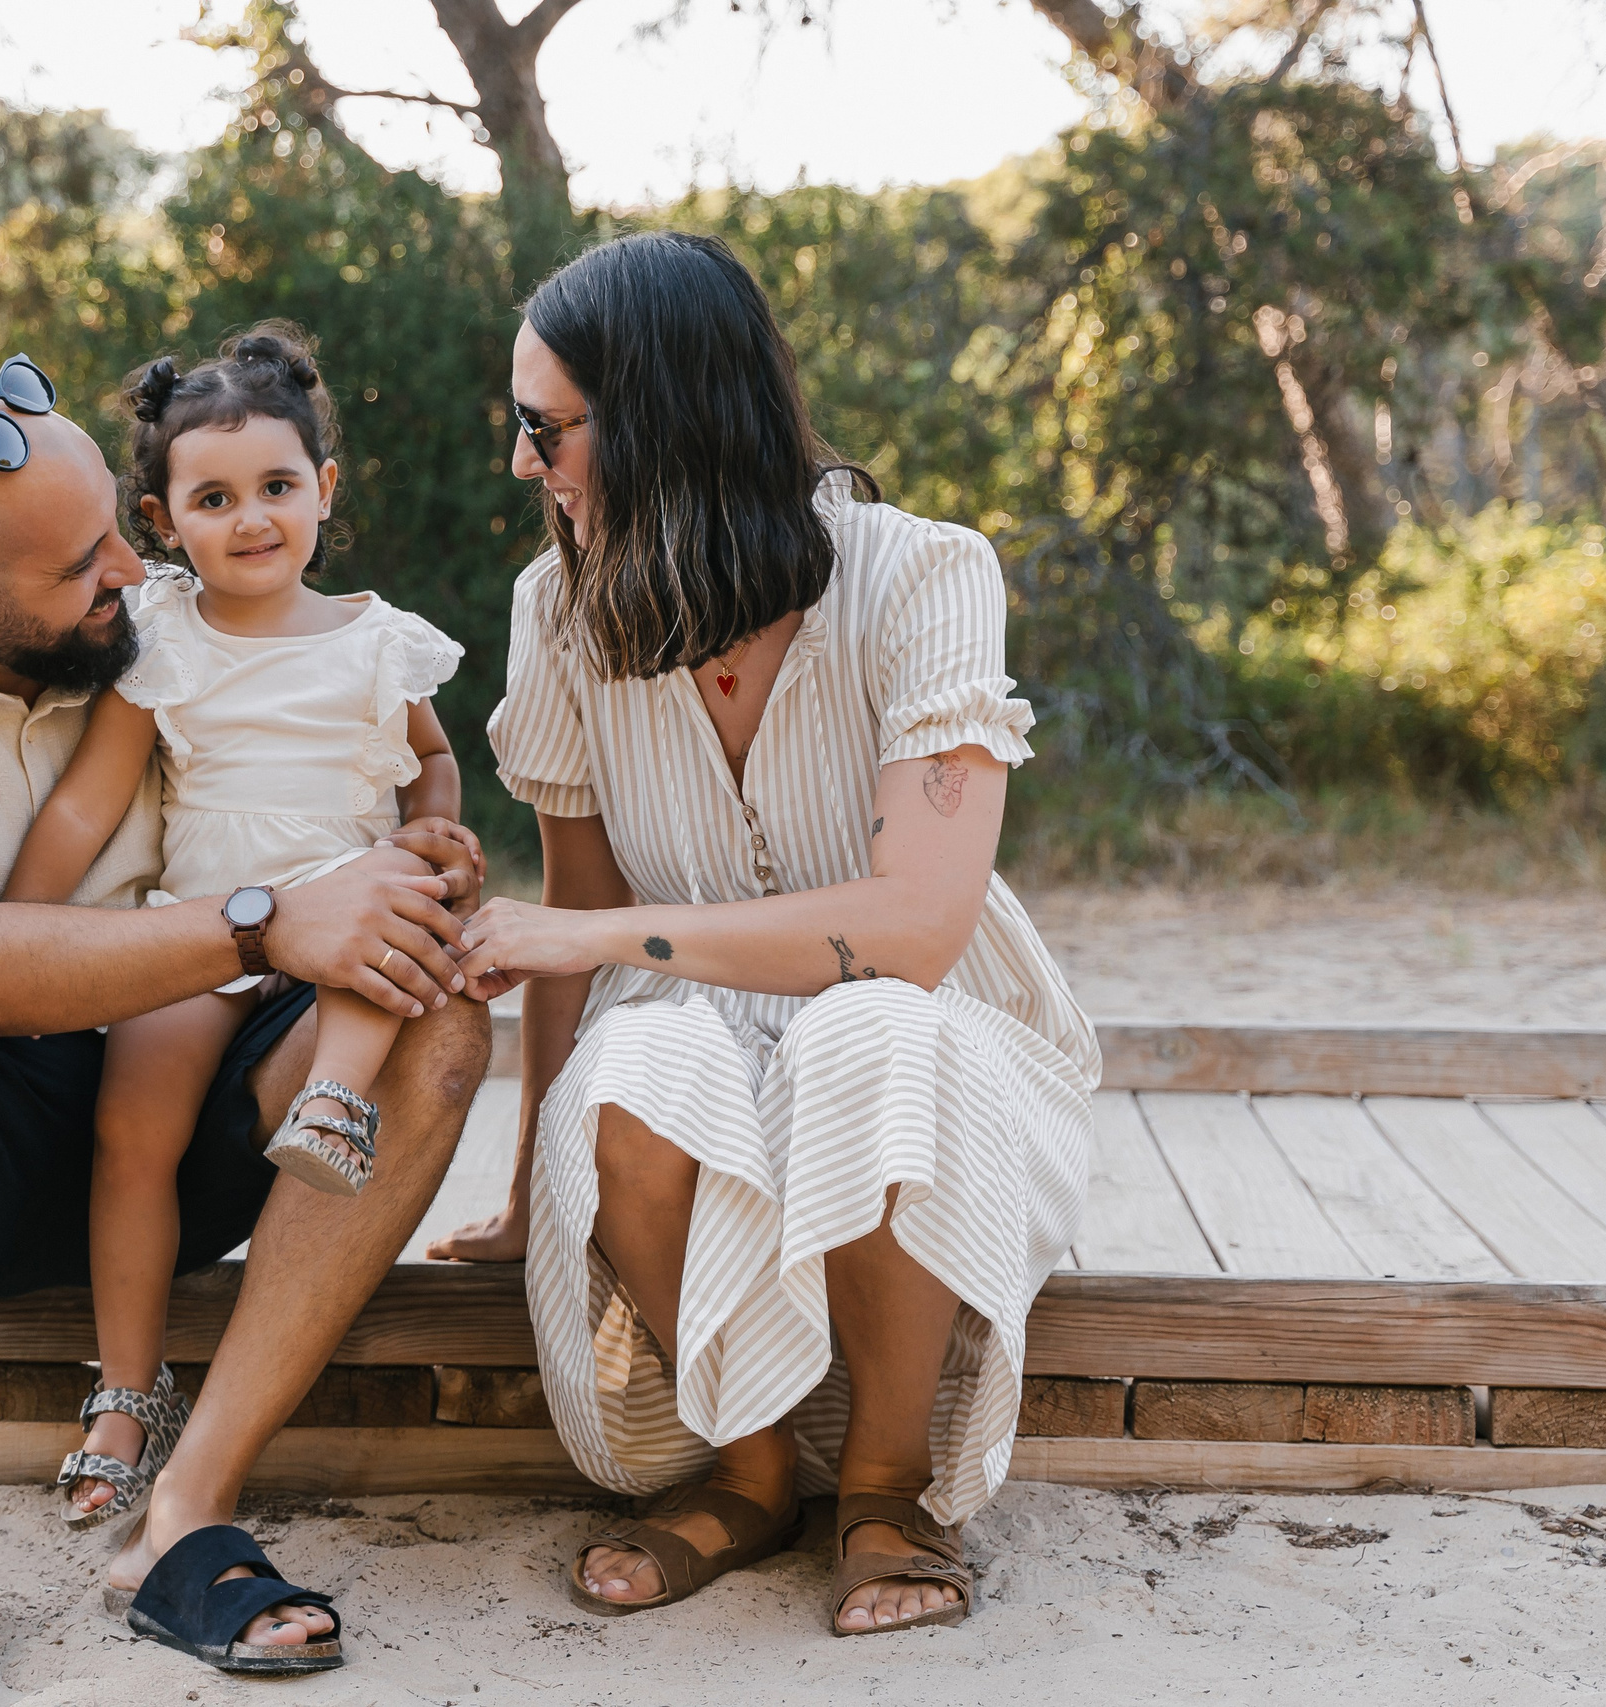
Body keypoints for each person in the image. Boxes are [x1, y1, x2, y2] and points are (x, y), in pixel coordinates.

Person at [0, 352, 489, 1695]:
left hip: (197, 1106)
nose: (139, 576)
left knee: (433, 1010)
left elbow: (376, 761)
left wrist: (416, 859)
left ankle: (183, 1511)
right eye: (92, 563)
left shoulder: (159, 633)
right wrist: (267, 915)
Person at [437, 233, 1100, 1636]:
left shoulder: (925, 576)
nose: (520, 459)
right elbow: (575, 929)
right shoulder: (556, 613)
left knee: (869, 1032)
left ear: (664, 414)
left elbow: (918, 928)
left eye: (543, 425)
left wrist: (601, 933)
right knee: (644, 1063)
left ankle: (883, 1484)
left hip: (933, 1046)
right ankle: (749, 1466)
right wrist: (517, 1185)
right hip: (689, 1042)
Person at [0, 325, 476, 1536]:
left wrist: (432, 833)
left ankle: (339, 1100)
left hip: (349, 906)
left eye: (275, 487)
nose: (250, 517)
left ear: (324, 489)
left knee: (394, 925)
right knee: (129, 1130)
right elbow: (91, 800)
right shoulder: (165, 642)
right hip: (206, 933)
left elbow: (431, 763)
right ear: (163, 521)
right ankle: (123, 1391)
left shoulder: (379, 636)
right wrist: (10, 930)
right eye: (212, 498)